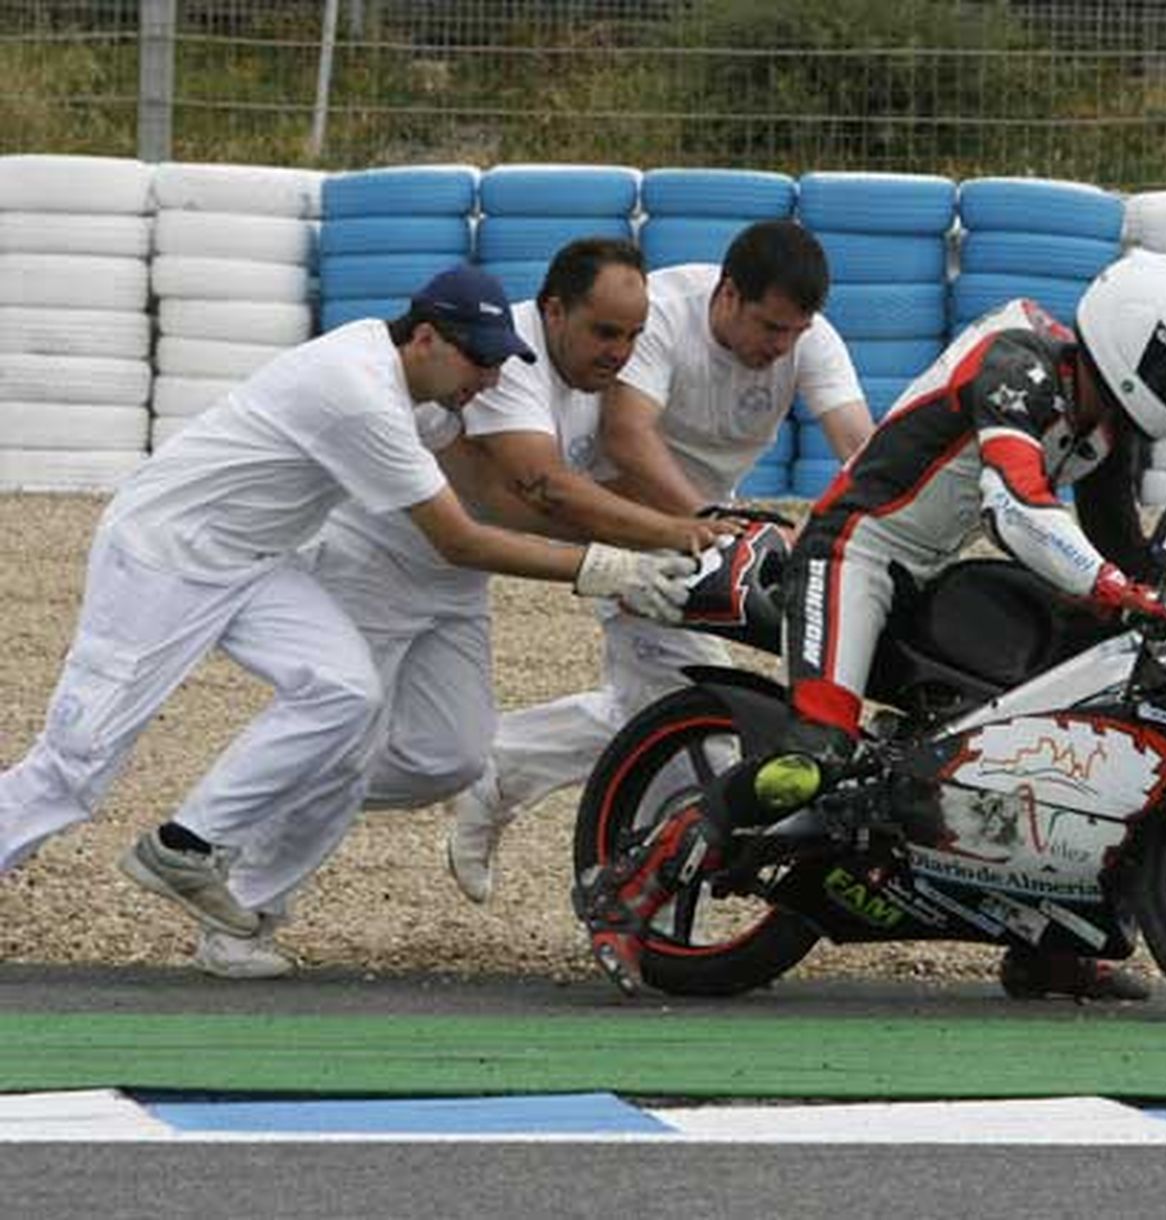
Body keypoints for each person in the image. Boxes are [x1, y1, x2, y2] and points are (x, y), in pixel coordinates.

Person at [575, 248, 1166, 999]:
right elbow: (1016, 507)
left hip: (923, 574)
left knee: (1085, 707)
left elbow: (1119, 538)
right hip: (853, 552)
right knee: (813, 759)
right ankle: (629, 887)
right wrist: (1116, 586)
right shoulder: (1020, 364)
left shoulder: (1105, 421)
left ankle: (1048, 941)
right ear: (1129, 338)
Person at [0, 264, 695, 963]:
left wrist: (633, 544)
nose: (489, 380)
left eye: (497, 363)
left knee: (346, 695)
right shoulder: (360, 395)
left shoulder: (421, 391)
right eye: (479, 360)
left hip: (258, 560)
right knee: (74, 767)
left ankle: (186, 843)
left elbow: (497, 498)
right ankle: (203, 856)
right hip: (163, 553)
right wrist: (607, 567)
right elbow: (459, 539)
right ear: (425, 338)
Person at [184, 237, 733, 979]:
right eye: (605, 332)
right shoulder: (506, 358)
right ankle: (238, 912)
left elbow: (598, 476)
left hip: (457, 577)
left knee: (451, 757)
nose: (620, 352)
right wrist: (669, 539)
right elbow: (541, 489)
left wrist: (683, 533)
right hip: (376, 560)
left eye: (634, 336)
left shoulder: (598, 375)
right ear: (554, 311)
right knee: (341, 744)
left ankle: (253, 797)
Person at [445, 219, 874, 905]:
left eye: (794, 332)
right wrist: (700, 524)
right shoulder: (662, 314)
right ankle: (647, 903)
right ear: (727, 295)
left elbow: (859, 442)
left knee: (660, 711)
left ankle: (505, 769)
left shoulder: (807, 338)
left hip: (701, 533)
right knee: (704, 732)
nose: (780, 347)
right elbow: (627, 434)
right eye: (770, 327)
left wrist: (887, 514)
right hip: (632, 521)